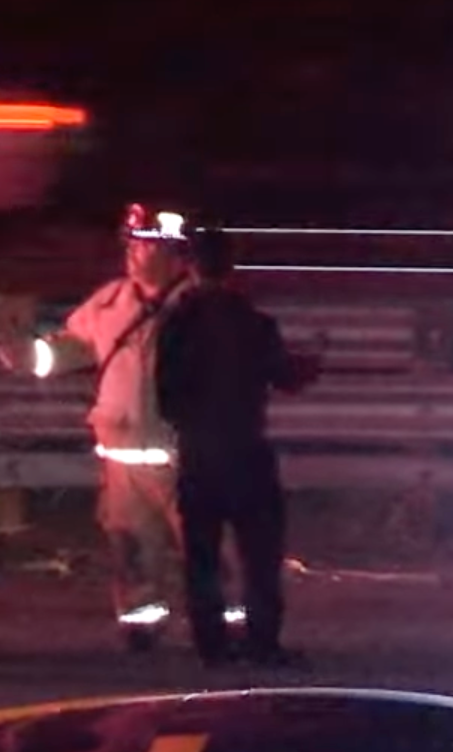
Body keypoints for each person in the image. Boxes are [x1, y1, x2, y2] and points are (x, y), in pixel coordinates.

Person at [30, 201, 239, 653]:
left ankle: (225, 623)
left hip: (183, 456)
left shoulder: (203, 306)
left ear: (173, 251)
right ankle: (141, 623)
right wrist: (22, 350)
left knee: (205, 546)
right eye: (130, 242)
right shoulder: (109, 302)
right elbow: (67, 350)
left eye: (143, 243)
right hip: (122, 459)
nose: (131, 252)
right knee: (129, 547)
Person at [151, 219, 317, 667]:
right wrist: (311, 362)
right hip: (246, 449)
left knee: (201, 555)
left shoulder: (176, 324)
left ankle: (212, 644)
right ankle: (262, 641)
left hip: (198, 453)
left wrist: (189, 422)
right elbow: (284, 375)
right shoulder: (253, 321)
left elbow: (164, 391)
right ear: (232, 266)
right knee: (260, 554)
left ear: (190, 267)